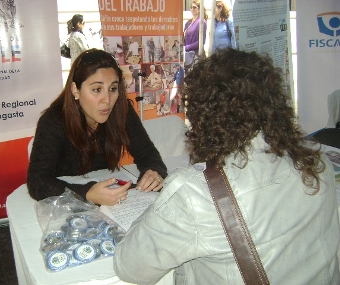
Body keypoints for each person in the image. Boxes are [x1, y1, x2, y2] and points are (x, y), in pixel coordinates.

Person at [114, 48, 340, 284]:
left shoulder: (194, 193)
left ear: (205, 115)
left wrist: (155, 212)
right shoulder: (316, 163)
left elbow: (130, 268)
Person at [27, 49, 167, 206]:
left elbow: (147, 153)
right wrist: (86, 193)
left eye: (113, 89)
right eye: (97, 89)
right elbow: (37, 182)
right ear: (75, 90)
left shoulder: (121, 110)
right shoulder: (53, 121)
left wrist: (155, 171)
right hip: (66, 206)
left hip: (113, 201)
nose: (106, 100)